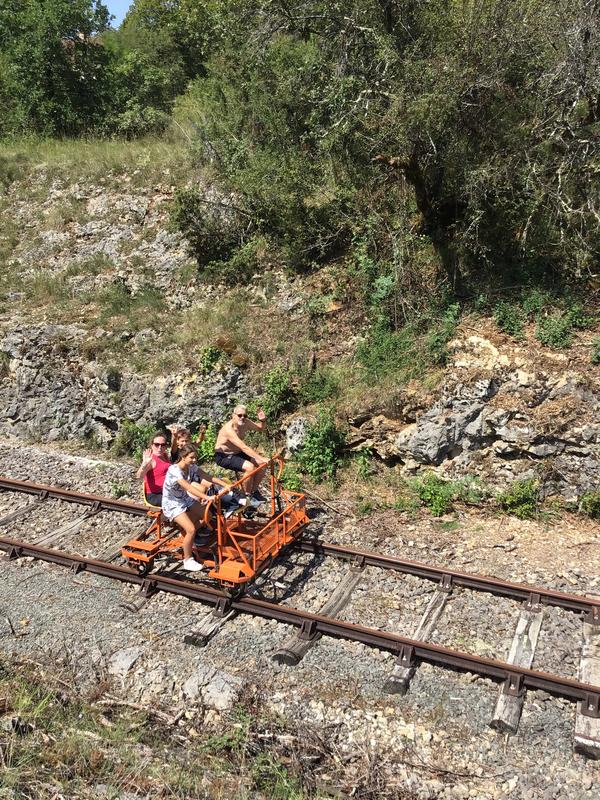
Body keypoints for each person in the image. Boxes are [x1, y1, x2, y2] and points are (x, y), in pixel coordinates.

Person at [162, 444, 240, 572]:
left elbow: (208, 477)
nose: (194, 460)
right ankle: (188, 559)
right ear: (183, 456)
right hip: (172, 503)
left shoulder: (191, 467)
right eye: (191, 457)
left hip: (184, 498)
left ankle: (191, 534)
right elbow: (189, 487)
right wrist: (207, 497)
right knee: (191, 530)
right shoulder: (174, 470)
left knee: (208, 516)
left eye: (195, 457)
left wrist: (225, 484)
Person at [215, 405, 269, 502]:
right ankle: (245, 496)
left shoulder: (245, 423)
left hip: (237, 452)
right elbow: (243, 447)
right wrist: (261, 457)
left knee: (262, 464)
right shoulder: (228, 429)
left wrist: (263, 420)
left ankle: (253, 492)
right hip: (224, 456)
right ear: (233, 416)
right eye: (239, 415)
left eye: (245, 415)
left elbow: (260, 428)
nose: (242, 418)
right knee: (250, 467)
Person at [136, 431, 170, 506]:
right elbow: (139, 476)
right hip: (155, 495)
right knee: (178, 502)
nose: (160, 448)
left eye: (163, 445)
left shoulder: (165, 455)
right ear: (152, 445)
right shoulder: (151, 460)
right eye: (156, 445)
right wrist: (144, 463)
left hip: (167, 492)